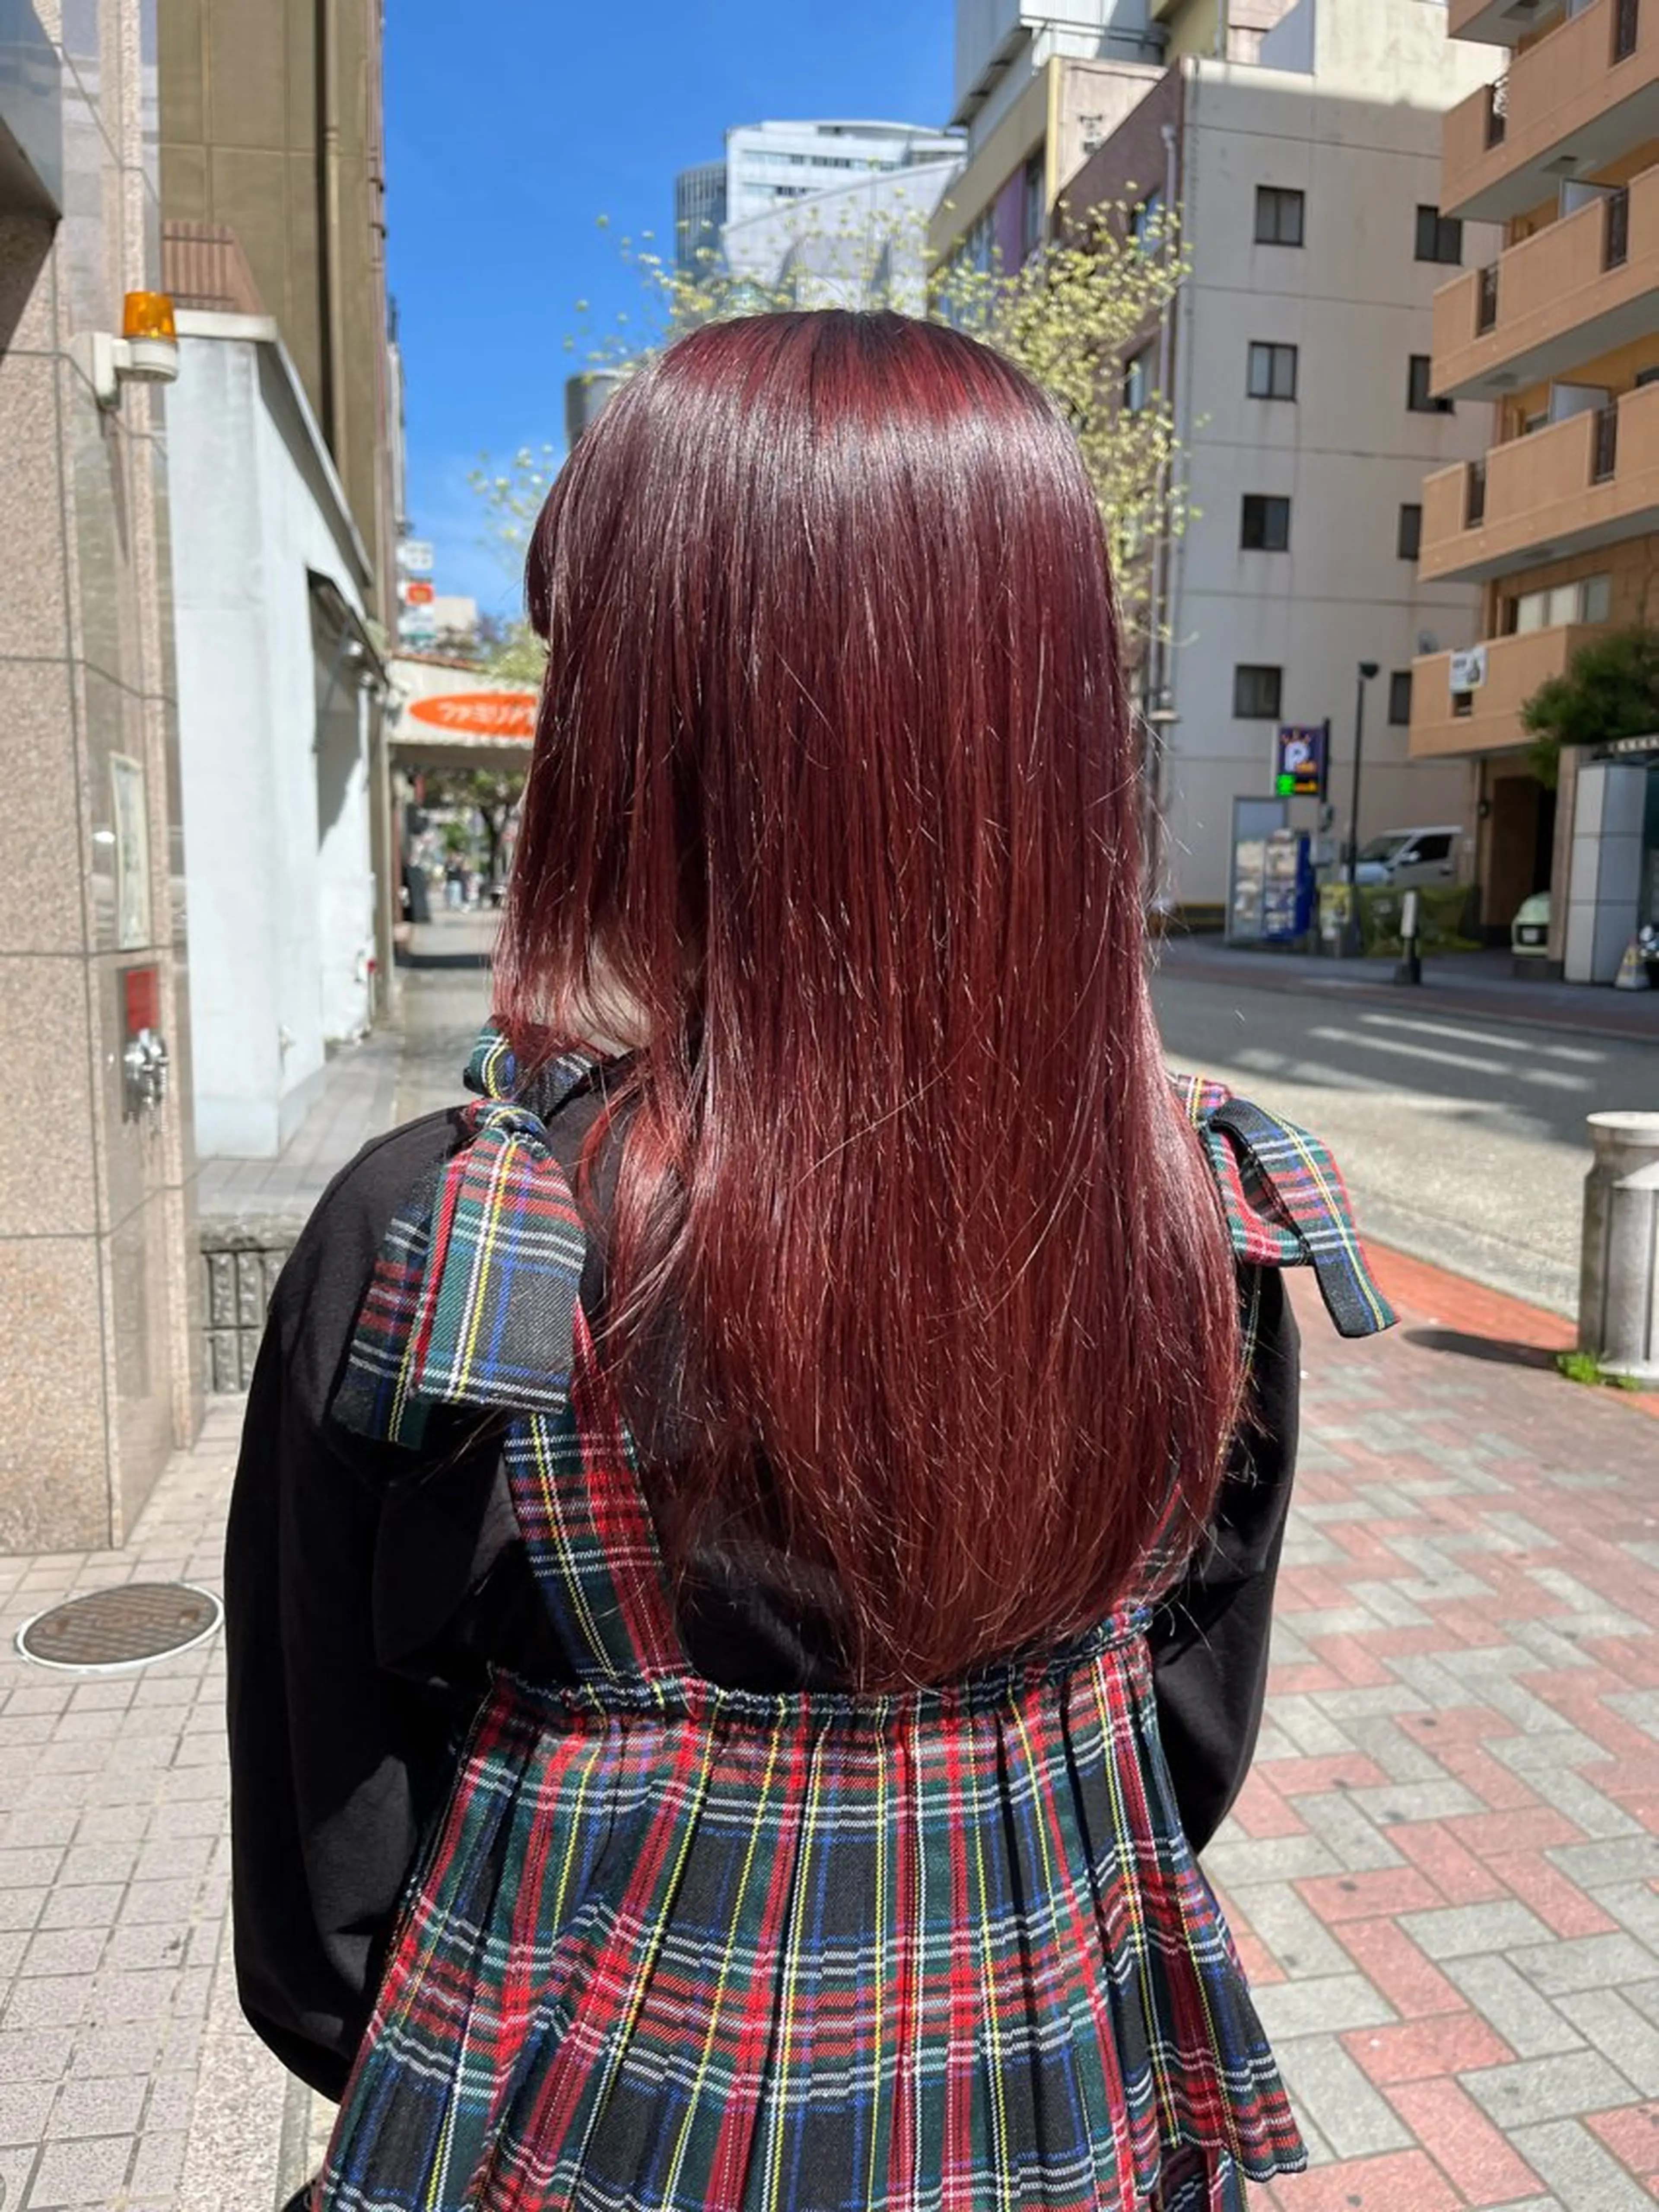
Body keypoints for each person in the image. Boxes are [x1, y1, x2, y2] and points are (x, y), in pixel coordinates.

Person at [227, 310, 1393, 2212]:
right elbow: (1184, 1746)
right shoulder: (1195, 1210)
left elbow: (329, 1924)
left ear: (640, 718)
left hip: (565, 2147)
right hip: (1065, 2115)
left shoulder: (446, 1242)